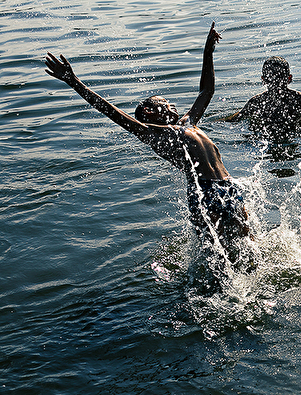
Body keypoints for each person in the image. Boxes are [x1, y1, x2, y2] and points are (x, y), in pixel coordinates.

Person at [44, 23, 251, 263]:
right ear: (149, 112)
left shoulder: (188, 123)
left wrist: (207, 51)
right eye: (165, 103)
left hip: (229, 186)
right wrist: (74, 82)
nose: (172, 105)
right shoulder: (153, 134)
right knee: (217, 256)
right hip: (204, 192)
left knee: (249, 246)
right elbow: (111, 112)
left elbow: (206, 91)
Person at [221, 56, 301, 140]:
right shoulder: (298, 99)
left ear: (263, 80)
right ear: (289, 78)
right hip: (293, 137)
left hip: (269, 138)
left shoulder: (258, 102)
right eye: (272, 79)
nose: (275, 83)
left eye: (278, 78)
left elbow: (235, 119)